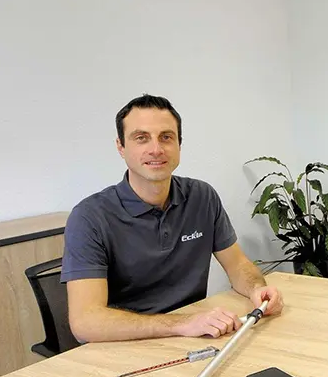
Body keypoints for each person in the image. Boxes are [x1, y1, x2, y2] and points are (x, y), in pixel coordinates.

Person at [62, 94, 283, 342]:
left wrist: (257, 289)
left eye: (166, 137)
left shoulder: (202, 197)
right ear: (121, 147)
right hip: (124, 344)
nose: (156, 149)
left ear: (179, 144)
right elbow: (86, 321)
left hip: (192, 338)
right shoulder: (89, 217)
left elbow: (237, 265)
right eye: (141, 138)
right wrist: (183, 324)